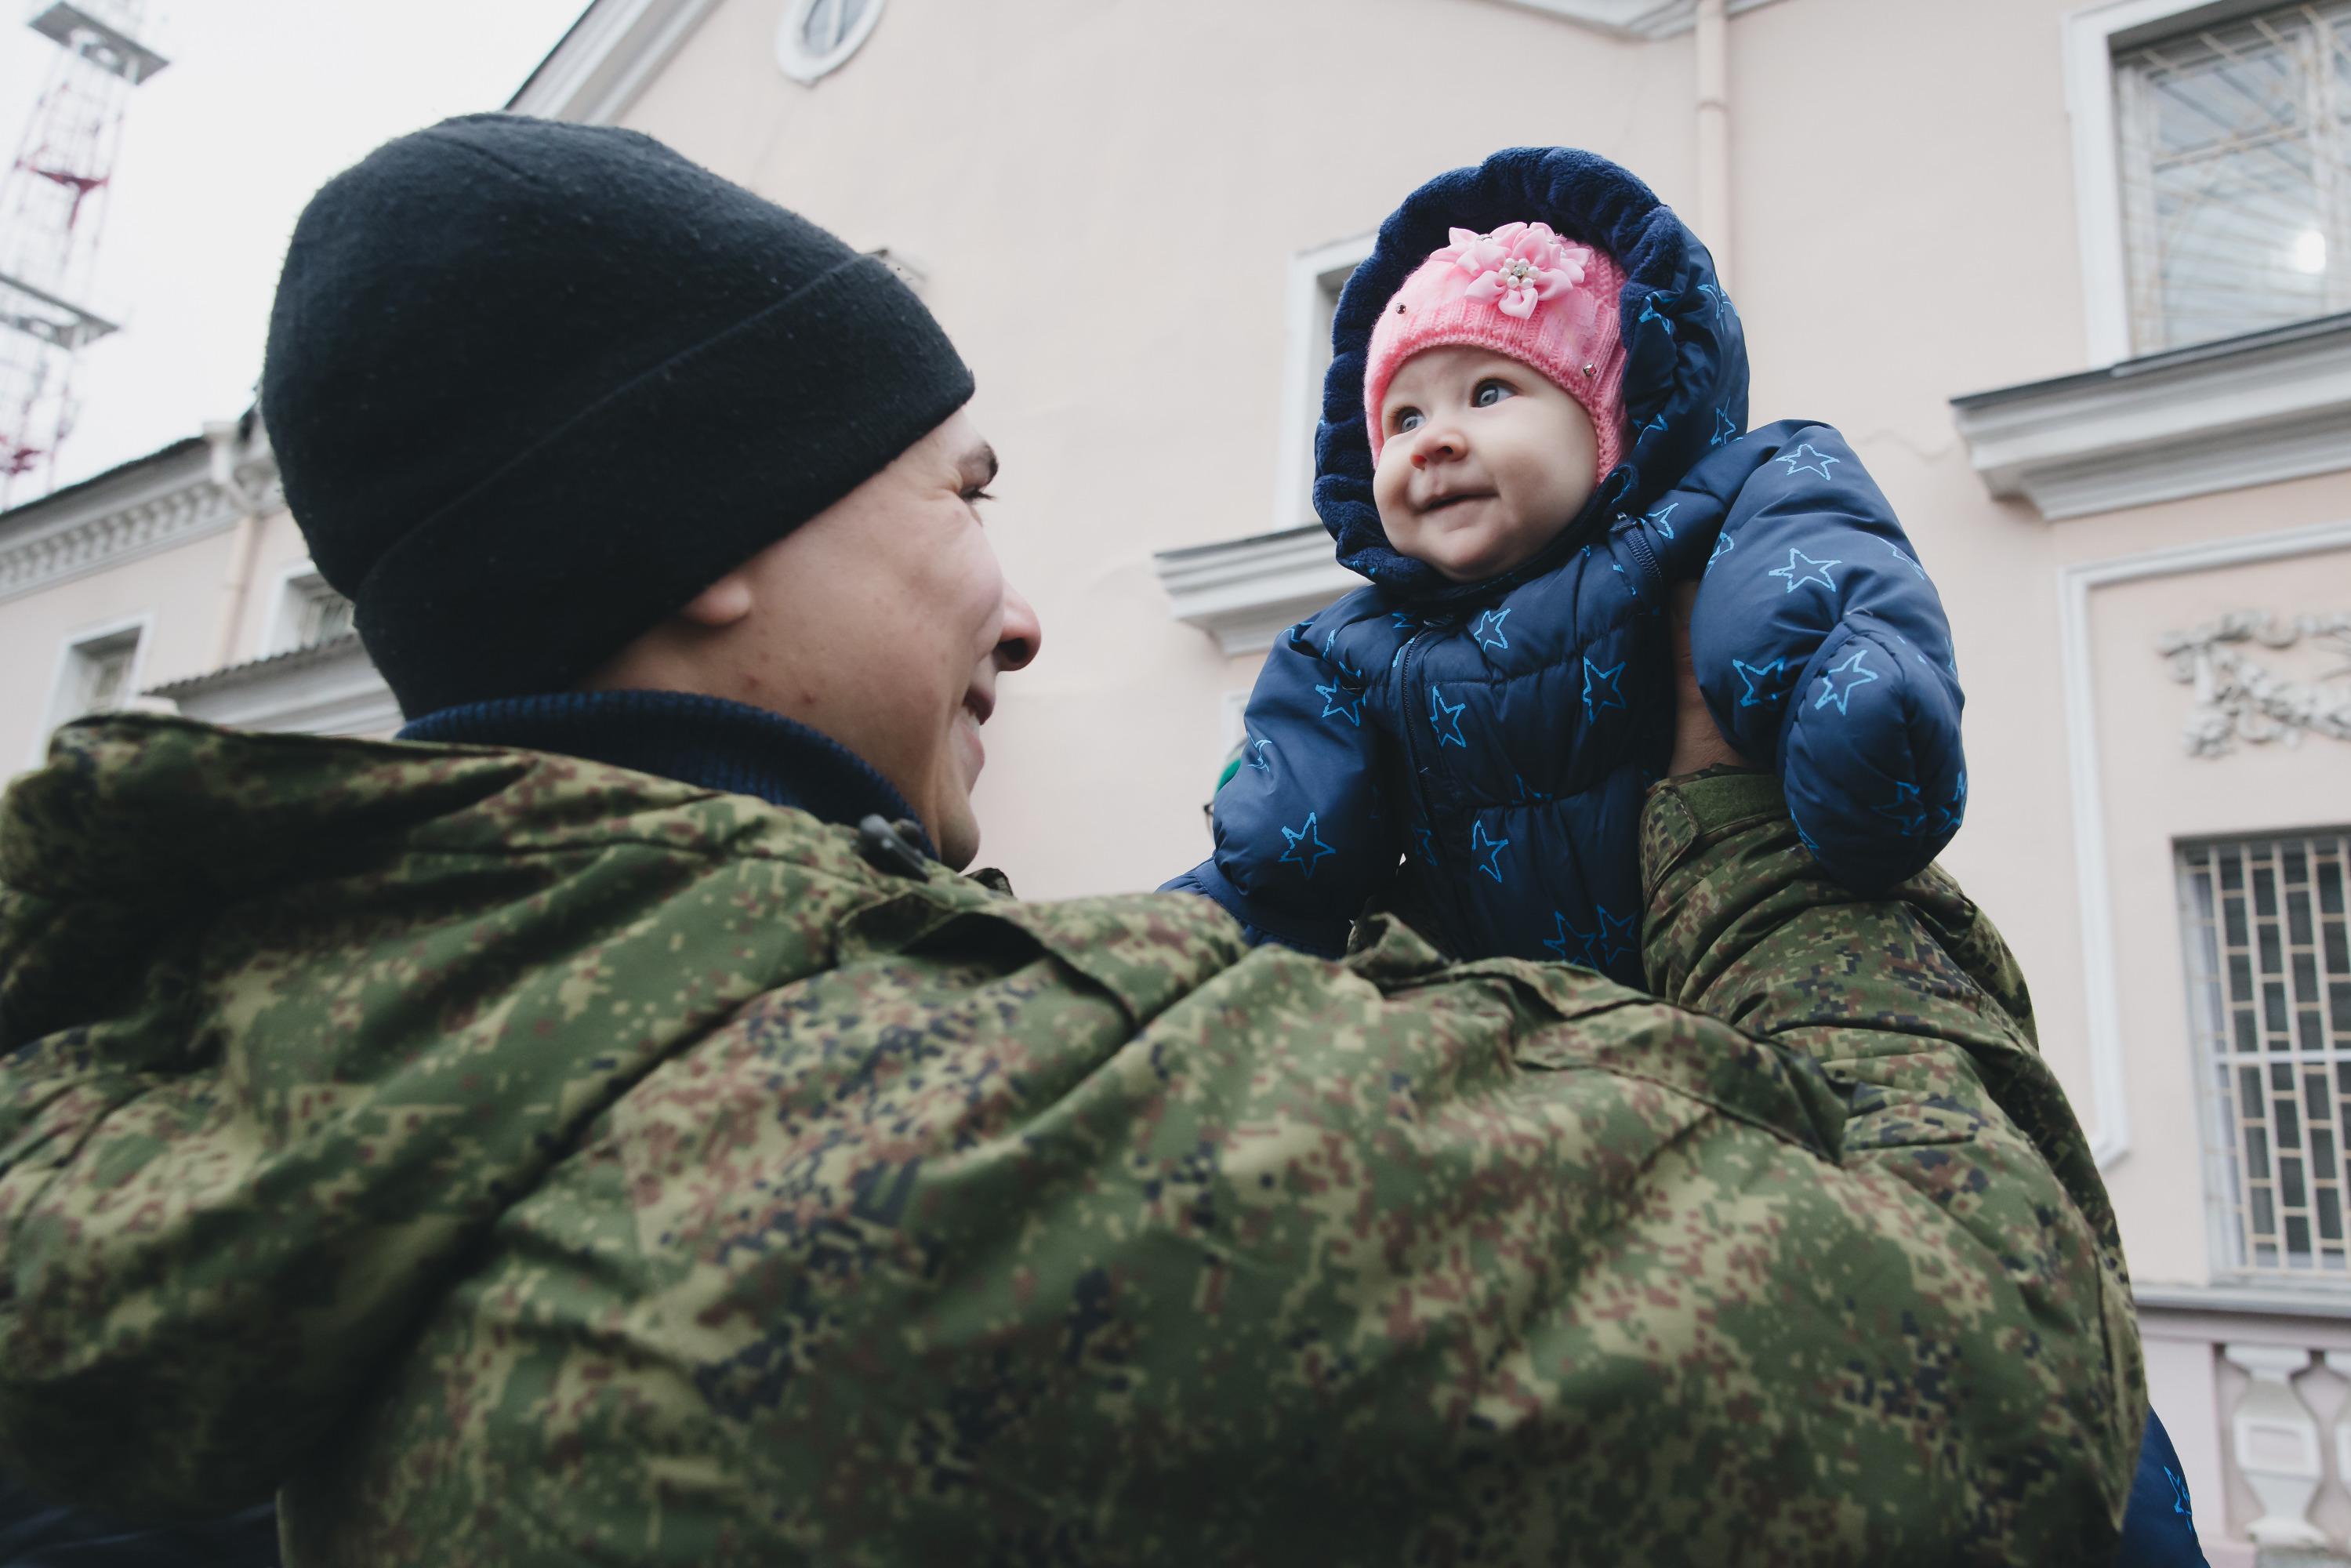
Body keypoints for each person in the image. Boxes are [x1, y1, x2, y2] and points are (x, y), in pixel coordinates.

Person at [0, 115, 2144, 1565]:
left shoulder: (262, 1076)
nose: (1021, 604)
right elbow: (2000, 1377)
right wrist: (1745, 835)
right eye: (961, 491)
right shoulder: (1013, 1136)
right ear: (712, 545)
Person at [1166, 148, 1965, 982]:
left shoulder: (1714, 509)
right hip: (1517, 1040)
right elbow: (1286, 861)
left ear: (1609, 422)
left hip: (1731, 959)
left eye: (1487, 394)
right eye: (1401, 418)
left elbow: (1816, 576)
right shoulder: (1351, 644)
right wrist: (1209, 900)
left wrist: (1853, 707)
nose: (1432, 440)